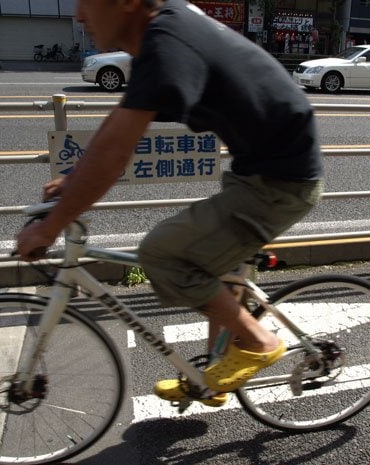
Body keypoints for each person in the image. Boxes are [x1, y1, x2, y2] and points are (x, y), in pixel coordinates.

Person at [16, 0, 323, 407]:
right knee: (213, 268)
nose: (79, 15)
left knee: (163, 254)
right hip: (260, 167)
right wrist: (74, 180)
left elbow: (114, 153)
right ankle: (211, 379)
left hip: (280, 182)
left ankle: (259, 342)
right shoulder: (163, 30)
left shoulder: (167, 43)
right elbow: (119, 123)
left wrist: (50, 226)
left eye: (87, 2)